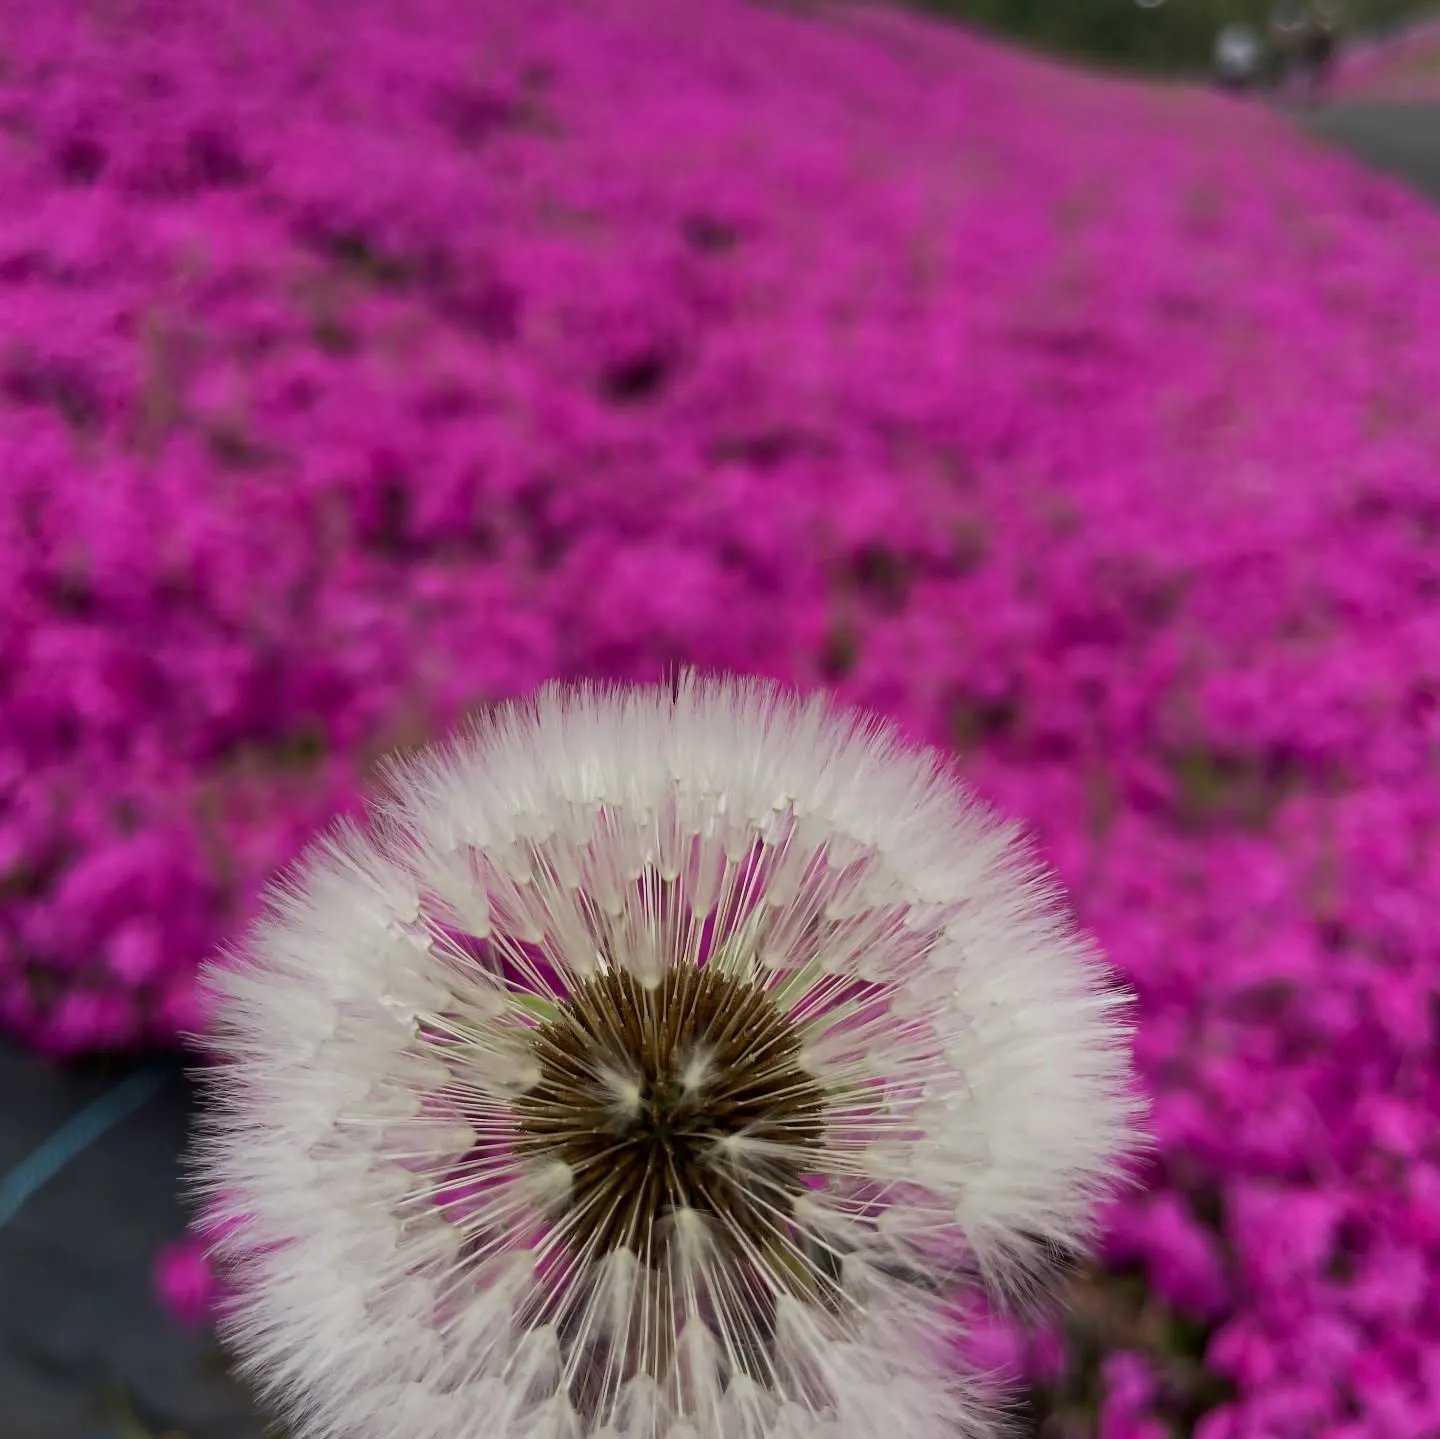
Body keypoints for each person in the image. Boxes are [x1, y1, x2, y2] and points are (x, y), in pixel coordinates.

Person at [1213, 22, 1264, 92]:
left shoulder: (1246, 43)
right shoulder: (1228, 40)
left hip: (1242, 74)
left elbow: (1250, 61)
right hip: (1230, 71)